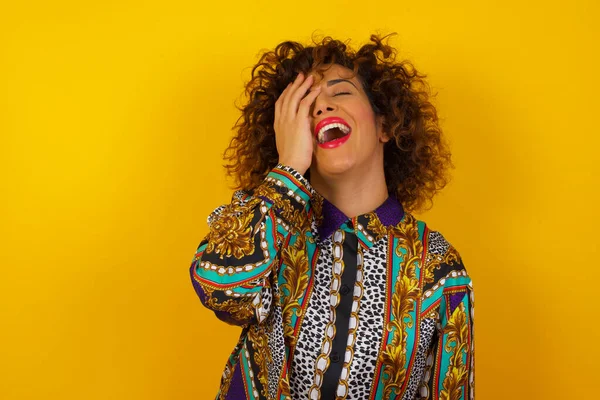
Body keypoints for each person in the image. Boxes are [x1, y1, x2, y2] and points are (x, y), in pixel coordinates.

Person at [189, 34, 474, 400]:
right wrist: (289, 167)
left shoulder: (438, 267)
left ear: (385, 124)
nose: (321, 108)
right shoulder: (266, 221)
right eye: (304, 106)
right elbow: (223, 291)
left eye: (340, 93)